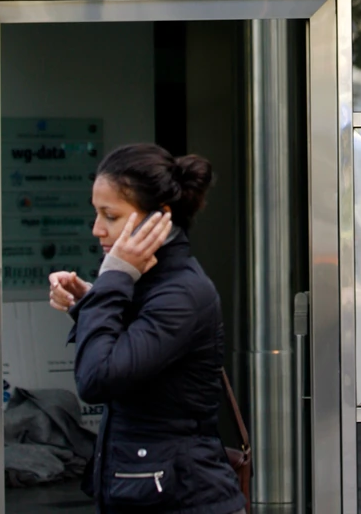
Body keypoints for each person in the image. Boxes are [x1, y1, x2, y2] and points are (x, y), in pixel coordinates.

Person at [48, 143, 245, 514]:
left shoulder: (181, 292)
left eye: (110, 216)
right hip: (152, 490)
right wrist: (88, 301)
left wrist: (111, 282)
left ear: (161, 218)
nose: (97, 229)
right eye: (96, 213)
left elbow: (97, 378)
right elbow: (130, 351)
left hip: (182, 499)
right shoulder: (148, 282)